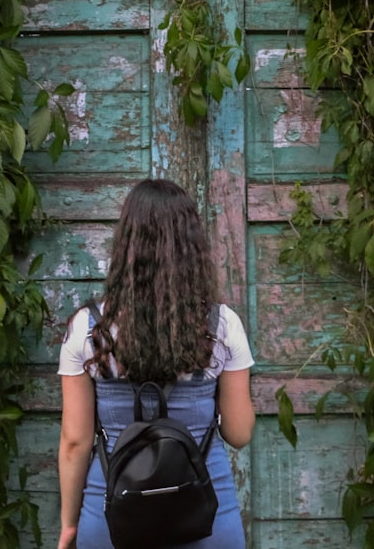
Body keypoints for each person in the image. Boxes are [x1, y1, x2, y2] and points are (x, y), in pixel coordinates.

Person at [56, 178, 256, 549]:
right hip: (205, 520)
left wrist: (69, 524)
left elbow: (74, 442)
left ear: (125, 245)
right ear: (192, 246)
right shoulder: (222, 325)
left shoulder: (87, 328)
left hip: (113, 518)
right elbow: (239, 433)